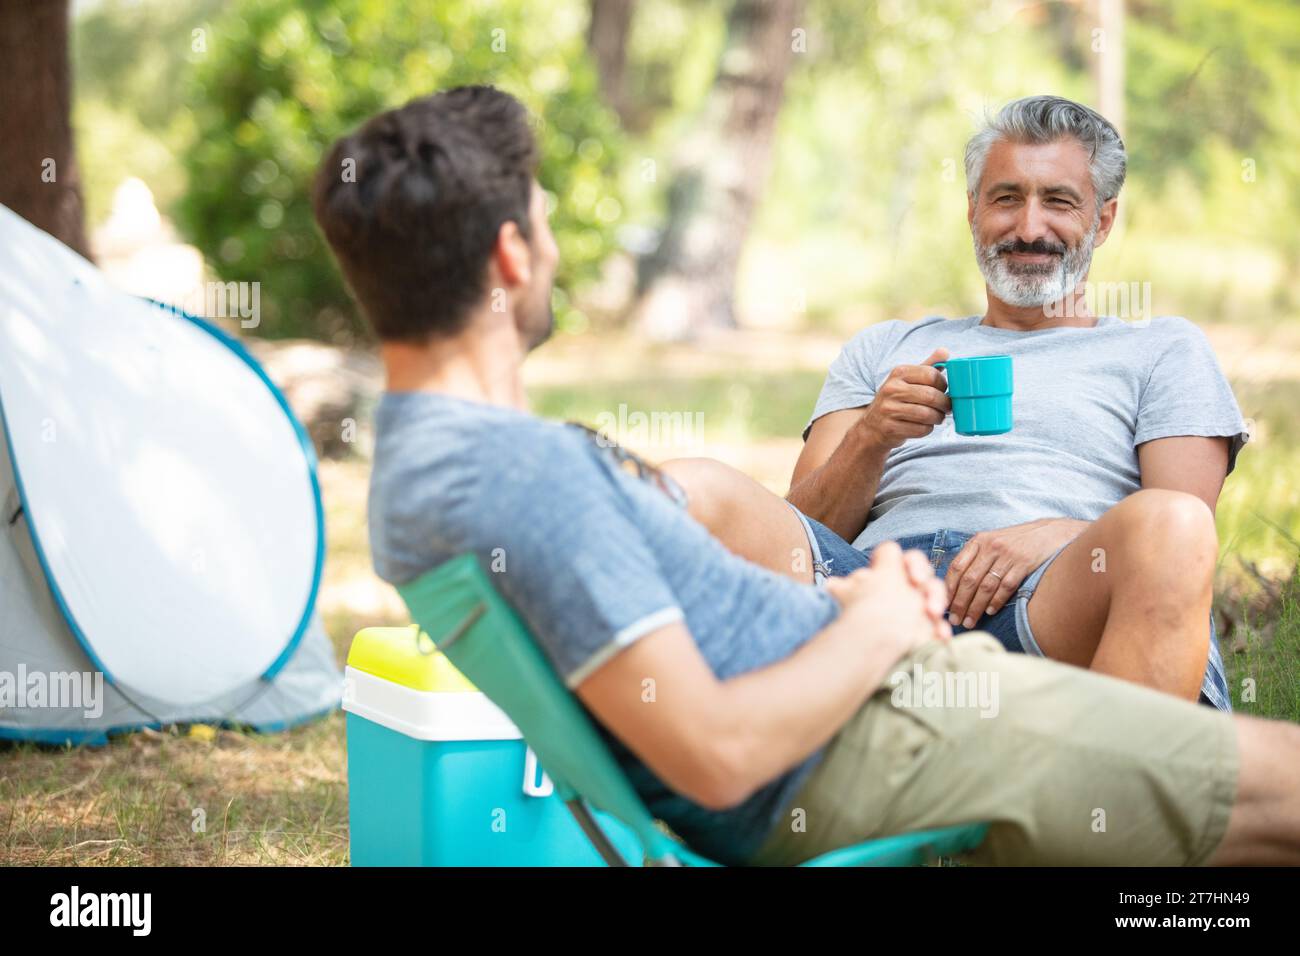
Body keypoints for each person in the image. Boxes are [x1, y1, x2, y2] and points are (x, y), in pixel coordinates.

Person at [314, 86, 1300, 866]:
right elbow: (720, 751)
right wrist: (875, 624)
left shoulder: (422, 463)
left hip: (919, 660)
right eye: (547, 221)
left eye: (1058, 199)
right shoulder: (528, 479)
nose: (1030, 221)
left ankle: (1144, 778)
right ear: (510, 257)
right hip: (879, 718)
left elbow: (1179, 518)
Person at [777, 95, 1245, 710]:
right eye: (1005, 198)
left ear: (1103, 221)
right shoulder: (885, 347)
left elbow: (1184, 534)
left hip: (1055, 602)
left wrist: (1064, 535)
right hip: (874, 595)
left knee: (1171, 526)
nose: (1029, 228)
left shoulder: (1163, 349)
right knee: (701, 490)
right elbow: (799, 538)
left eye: (1058, 201)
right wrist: (871, 436)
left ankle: (1121, 787)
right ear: (972, 211)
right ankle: (668, 775)